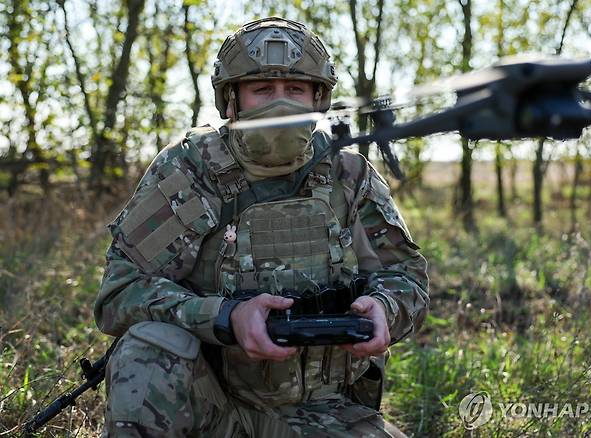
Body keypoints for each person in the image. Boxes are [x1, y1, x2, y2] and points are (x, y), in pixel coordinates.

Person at [95, 16, 429, 437]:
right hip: (210, 404)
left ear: (318, 99)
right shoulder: (190, 170)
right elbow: (120, 291)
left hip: (321, 412)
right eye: (262, 90)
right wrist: (225, 317)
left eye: (295, 90)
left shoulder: (348, 174)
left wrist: (386, 309)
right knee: (148, 346)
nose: (281, 104)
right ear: (231, 99)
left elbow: (405, 276)